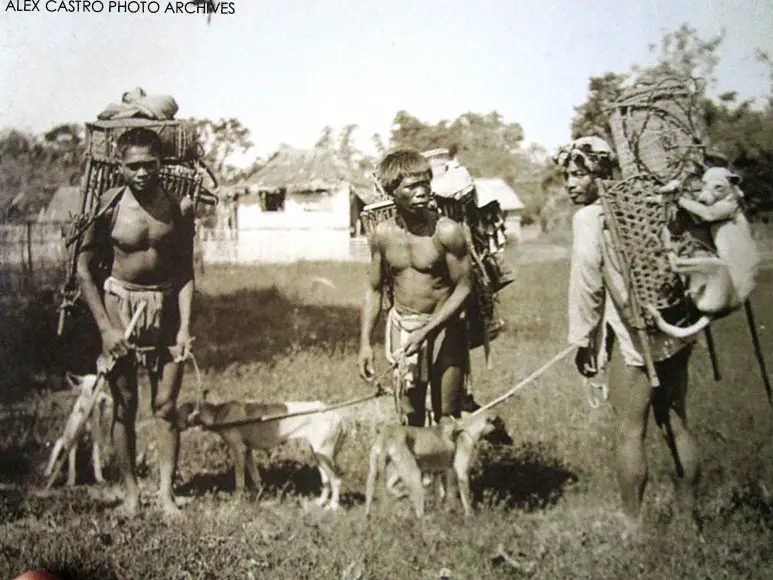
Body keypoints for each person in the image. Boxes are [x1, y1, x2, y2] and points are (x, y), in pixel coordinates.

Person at [556, 136, 700, 539]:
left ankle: (631, 524)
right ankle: (689, 519)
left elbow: (586, 283)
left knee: (630, 430)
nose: (570, 182)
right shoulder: (652, 203)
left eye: (579, 174)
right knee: (676, 422)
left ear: (601, 172)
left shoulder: (590, 218)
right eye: (567, 174)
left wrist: (582, 340)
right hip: (675, 332)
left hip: (636, 339)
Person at [77, 127, 195, 517]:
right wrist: (106, 329)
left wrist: (182, 329)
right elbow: (83, 269)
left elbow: (184, 272)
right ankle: (131, 496)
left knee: (165, 405)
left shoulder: (178, 208)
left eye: (150, 164)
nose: (143, 173)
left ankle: (165, 495)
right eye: (134, 166)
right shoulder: (108, 206)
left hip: (165, 308)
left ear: (161, 163)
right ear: (120, 166)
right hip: (119, 306)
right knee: (125, 405)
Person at [358, 149, 473, 426]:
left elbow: (464, 288)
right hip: (404, 329)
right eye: (411, 186)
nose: (422, 192)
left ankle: (447, 470)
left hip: (444, 330)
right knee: (410, 420)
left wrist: (426, 331)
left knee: (447, 420)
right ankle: (416, 470)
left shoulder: (447, 232)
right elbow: (373, 289)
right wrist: (364, 343)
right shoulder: (382, 236)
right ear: (392, 192)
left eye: (425, 183)